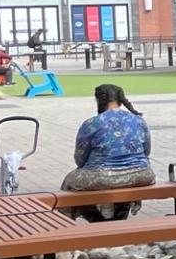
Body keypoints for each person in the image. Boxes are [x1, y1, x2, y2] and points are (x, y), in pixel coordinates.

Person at [62, 84, 154, 213]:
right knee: (124, 183)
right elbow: (146, 151)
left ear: (99, 100)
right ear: (121, 100)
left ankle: (68, 221)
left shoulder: (91, 124)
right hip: (142, 174)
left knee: (70, 181)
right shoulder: (139, 121)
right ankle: (122, 214)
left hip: (102, 176)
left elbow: (80, 160)